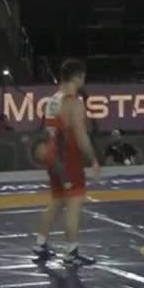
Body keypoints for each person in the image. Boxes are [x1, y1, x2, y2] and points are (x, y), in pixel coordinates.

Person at [33, 59, 101, 266]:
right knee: (74, 203)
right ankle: (71, 253)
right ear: (79, 77)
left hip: (54, 159)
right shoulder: (74, 102)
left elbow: (50, 131)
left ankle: (40, 244)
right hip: (69, 159)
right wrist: (93, 159)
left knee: (57, 201)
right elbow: (80, 135)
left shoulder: (53, 100)